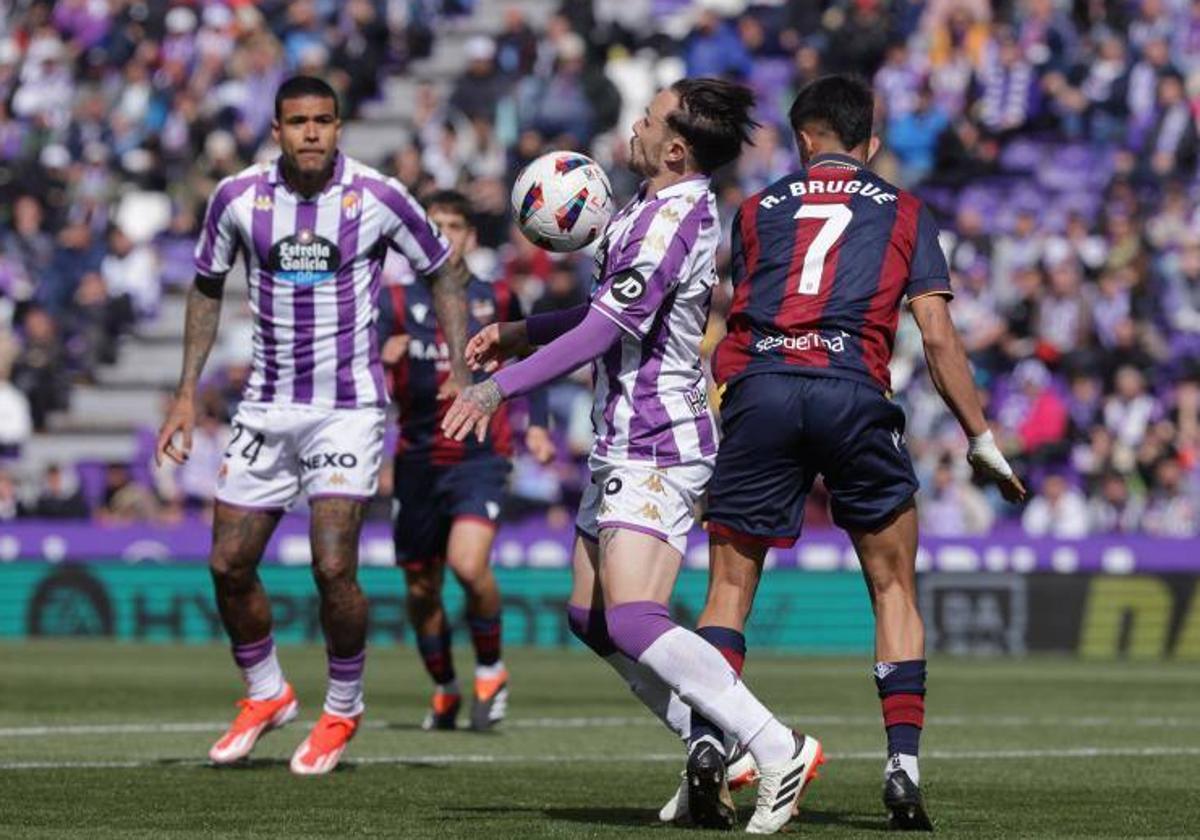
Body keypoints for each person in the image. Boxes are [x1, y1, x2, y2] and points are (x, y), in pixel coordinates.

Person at [446, 78, 821, 835]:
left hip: (657, 443)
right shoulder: (648, 209)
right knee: (590, 615)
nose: (637, 125)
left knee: (636, 618)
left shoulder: (670, 222)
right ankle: (707, 742)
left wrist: (499, 390)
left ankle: (777, 745)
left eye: (649, 119)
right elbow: (598, 313)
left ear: (676, 147)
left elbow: (603, 333)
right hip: (622, 436)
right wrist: (523, 330)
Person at [698, 74, 1027, 830]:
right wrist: (980, 438)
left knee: (728, 587)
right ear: (868, 143)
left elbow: (731, 322)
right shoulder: (906, 211)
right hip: (852, 391)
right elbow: (937, 337)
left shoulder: (753, 213)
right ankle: (903, 767)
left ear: (802, 138)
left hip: (766, 391)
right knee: (893, 587)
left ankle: (712, 745)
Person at [154, 76, 471, 775]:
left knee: (334, 564)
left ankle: (343, 706)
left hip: (347, 408)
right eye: (298, 121)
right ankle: (266, 694)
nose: (311, 133)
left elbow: (445, 272)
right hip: (266, 405)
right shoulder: (237, 197)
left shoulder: (378, 195)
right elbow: (206, 285)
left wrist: (462, 371)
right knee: (227, 564)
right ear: (276, 129)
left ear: (339, 126)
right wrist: (185, 392)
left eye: (323, 120)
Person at [380, 189, 555, 731]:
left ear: (470, 237)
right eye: (433, 226)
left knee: (467, 564)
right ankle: (445, 688)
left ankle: (490, 669)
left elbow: (534, 356)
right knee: (419, 587)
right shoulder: (392, 302)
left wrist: (541, 426)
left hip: (481, 454)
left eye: (454, 226)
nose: (444, 235)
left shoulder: (497, 297)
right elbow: (368, 374)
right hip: (416, 458)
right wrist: (381, 360)